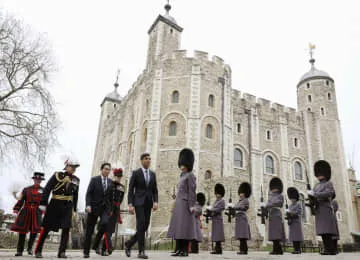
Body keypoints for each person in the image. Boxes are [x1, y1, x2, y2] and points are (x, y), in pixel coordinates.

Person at [34, 157, 80, 258]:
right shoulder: (57, 175)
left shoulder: (76, 180)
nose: (73, 169)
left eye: (75, 167)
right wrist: (43, 203)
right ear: (66, 166)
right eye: (72, 166)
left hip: (68, 206)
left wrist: (75, 209)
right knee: (46, 227)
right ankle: (38, 250)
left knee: (66, 229)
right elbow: (47, 188)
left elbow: (75, 195)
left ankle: (62, 252)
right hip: (55, 203)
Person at [125, 153, 158, 259]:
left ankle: (129, 243)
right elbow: (130, 190)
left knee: (145, 226)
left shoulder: (153, 174)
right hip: (138, 203)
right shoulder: (136, 173)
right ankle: (141, 251)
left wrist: (156, 202)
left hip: (148, 203)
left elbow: (155, 190)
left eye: (149, 159)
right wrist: (130, 204)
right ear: (141, 160)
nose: (148, 160)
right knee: (141, 224)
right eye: (146, 159)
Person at [167, 148, 197, 257]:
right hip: (179, 204)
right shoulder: (182, 176)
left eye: (183, 164)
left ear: (188, 164)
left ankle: (184, 250)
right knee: (178, 227)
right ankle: (178, 249)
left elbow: (192, 192)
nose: (181, 166)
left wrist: (192, 206)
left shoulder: (190, 175)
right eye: (181, 164)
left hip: (186, 204)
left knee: (185, 227)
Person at [11, 172, 45, 256]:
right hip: (25, 211)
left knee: (34, 232)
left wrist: (44, 211)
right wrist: (16, 209)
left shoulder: (44, 191)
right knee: (22, 232)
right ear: (33, 179)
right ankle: (19, 250)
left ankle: (30, 248)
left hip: (37, 213)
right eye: (36, 179)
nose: (38, 181)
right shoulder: (26, 189)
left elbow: (44, 203)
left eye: (39, 180)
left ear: (41, 181)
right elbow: (21, 200)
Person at [307, 160, 338, 255]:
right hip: (318, 209)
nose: (319, 175)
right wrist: (310, 199)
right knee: (323, 232)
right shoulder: (316, 185)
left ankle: (331, 250)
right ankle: (327, 249)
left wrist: (315, 194)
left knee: (327, 231)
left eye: (321, 173)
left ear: (325, 174)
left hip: (325, 208)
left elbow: (329, 193)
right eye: (318, 173)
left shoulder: (328, 183)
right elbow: (313, 196)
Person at [83, 163, 113, 258]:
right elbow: (89, 194)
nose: (107, 171)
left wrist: (110, 209)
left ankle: (95, 245)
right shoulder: (94, 180)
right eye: (105, 169)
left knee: (104, 223)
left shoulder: (110, 182)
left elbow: (110, 197)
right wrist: (88, 205)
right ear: (101, 169)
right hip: (93, 208)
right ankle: (86, 252)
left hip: (105, 209)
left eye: (109, 169)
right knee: (89, 231)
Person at [100, 167, 125, 255]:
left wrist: (116, 209)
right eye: (117, 177)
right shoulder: (110, 185)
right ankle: (109, 247)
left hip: (116, 210)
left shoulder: (122, 187)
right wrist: (109, 209)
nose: (118, 178)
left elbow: (121, 199)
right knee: (107, 229)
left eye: (119, 177)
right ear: (114, 176)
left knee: (111, 230)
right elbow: (106, 198)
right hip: (108, 209)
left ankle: (103, 250)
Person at [264, 177, 285, 255]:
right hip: (271, 214)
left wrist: (269, 205)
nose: (273, 189)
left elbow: (279, 203)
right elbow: (267, 205)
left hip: (277, 213)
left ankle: (278, 250)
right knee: (273, 233)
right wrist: (265, 207)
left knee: (277, 233)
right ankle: (277, 249)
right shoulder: (271, 197)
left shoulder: (280, 196)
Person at [207, 183, 225, 255]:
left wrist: (211, 209)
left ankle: (218, 249)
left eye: (218, 193)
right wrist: (210, 214)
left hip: (218, 219)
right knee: (215, 235)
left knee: (218, 235)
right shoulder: (216, 201)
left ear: (221, 194)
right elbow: (214, 209)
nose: (217, 195)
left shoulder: (222, 201)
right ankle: (216, 249)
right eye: (216, 193)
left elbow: (219, 209)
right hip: (214, 219)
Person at [233, 182, 251, 255]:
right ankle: (242, 250)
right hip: (239, 219)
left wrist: (235, 207)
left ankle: (244, 250)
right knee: (240, 236)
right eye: (240, 193)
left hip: (242, 218)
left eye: (242, 193)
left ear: (245, 193)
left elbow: (244, 207)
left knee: (243, 235)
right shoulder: (239, 201)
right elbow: (235, 207)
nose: (240, 194)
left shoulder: (246, 200)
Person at [286, 187, 304, 254]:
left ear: (295, 198)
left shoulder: (298, 204)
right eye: (291, 198)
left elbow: (299, 212)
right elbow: (288, 213)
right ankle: (295, 249)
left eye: (293, 198)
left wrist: (292, 213)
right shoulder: (290, 206)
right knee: (293, 236)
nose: (292, 199)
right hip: (291, 222)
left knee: (297, 236)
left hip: (296, 221)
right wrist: (288, 216)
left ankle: (298, 249)